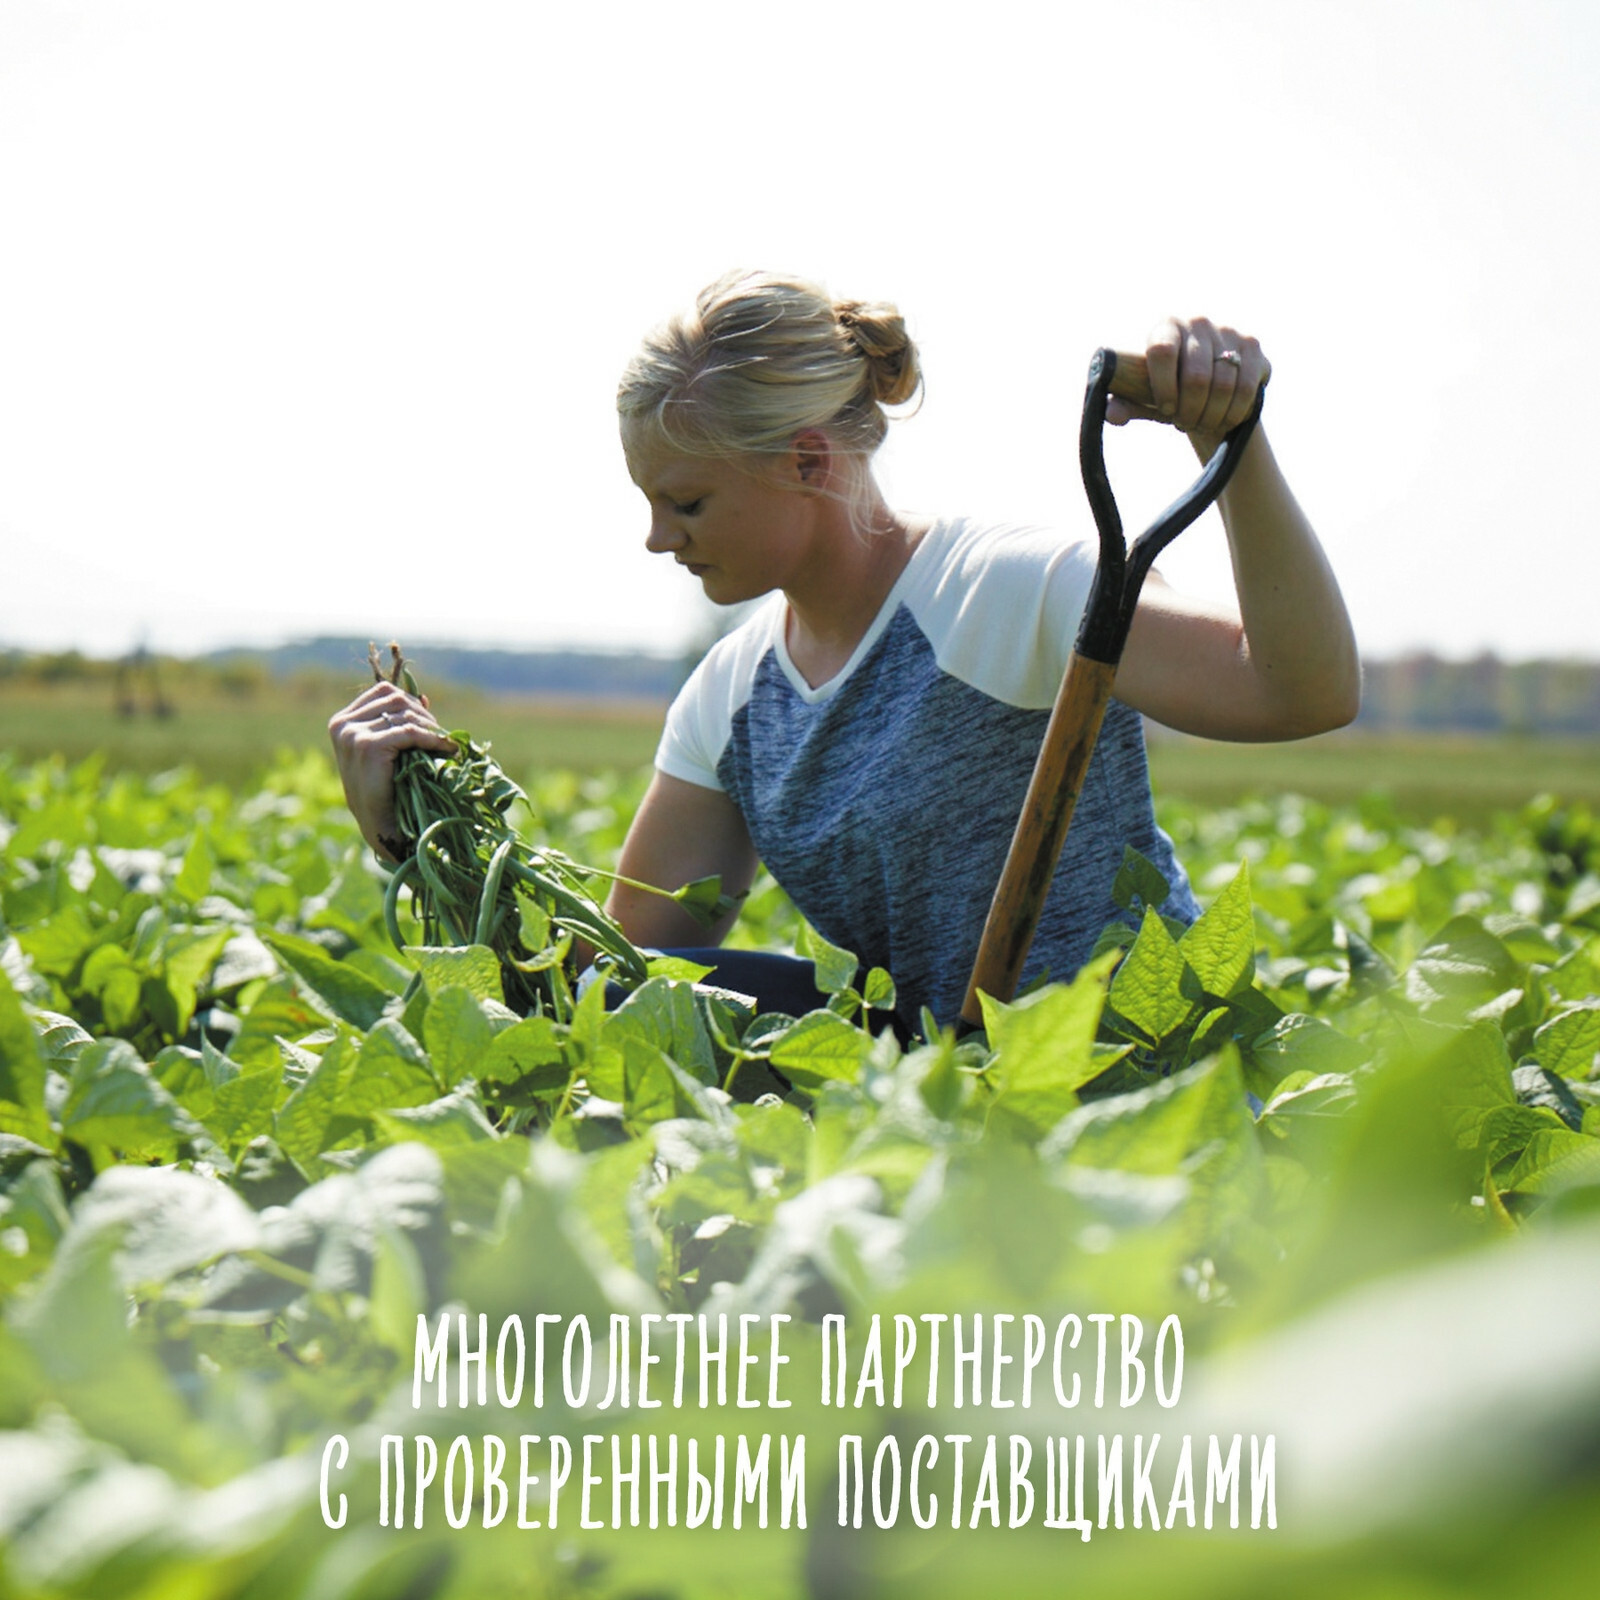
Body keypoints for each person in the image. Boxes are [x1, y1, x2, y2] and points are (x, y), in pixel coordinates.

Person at [329, 270, 1359, 1031]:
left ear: (807, 461)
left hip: (1136, 1052)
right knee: (738, 1001)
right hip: (948, 1080)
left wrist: (1234, 443)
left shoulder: (1001, 587)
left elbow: (1299, 689)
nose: (656, 537)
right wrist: (415, 832)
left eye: (686, 501)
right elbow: (616, 978)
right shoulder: (733, 698)